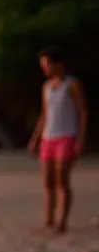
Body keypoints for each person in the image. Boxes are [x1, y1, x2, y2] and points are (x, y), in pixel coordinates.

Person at [28, 46, 89, 233]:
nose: (45, 69)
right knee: (48, 182)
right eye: (42, 65)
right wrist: (35, 138)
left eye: (47, 64)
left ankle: (61, 222)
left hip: (67, 136)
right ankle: (48, 220)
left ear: (58, 64)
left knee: (62, 179)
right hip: (48, 138)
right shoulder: (46, 87)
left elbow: (82, 112)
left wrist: (81, 139)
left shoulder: (72, 84)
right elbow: (44, 115)